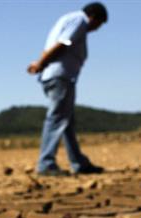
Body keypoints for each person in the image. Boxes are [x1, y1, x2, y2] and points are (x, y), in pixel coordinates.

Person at [27, 2, 108, 176]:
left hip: (55, 75)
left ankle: (79, 162)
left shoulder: (68, 19)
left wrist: (42, 63)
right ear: (94, 17)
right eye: (99, 24)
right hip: (60, 76)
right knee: (57, 119)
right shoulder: (79, 21)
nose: (96, 29)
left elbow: (55, 44)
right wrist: (41, 63)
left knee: (66, 122)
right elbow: (63, 43)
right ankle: (46, 163)